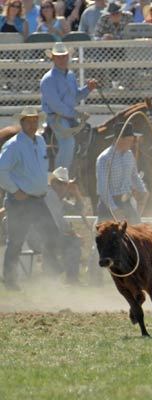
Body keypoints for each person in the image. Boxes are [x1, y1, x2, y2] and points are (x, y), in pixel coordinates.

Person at [0, 108, 62, 291]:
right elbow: (1, 170)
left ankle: (51, 273)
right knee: (16, 241)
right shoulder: (13, 145)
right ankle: (10, 280)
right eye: (29, 121)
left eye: (35, 121)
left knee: (51, 234)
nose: (33, 124)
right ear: (22, 123)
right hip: (20, 201)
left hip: (37, 199)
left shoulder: (41, 141)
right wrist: (15, 190)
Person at [40, 42, 97, 171]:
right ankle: (59, 177)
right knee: (68, 143)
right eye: (59, 57)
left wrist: (88, 89)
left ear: (68, 57)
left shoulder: (70, 75)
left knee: (88, 136)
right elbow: (57, 107)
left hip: (69, 116)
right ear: (53, 58)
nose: (62, 59)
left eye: (64, 56)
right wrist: (77, 114)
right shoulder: (48, 79)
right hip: (55, 118)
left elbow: (75, 97)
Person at [40, 167, 85, 285]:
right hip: (41, 237)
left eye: (65, 184)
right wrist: (72, 233)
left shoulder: (58, 198)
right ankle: (69, 278)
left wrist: (76, 194)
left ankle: (60, 274)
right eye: (60, 183)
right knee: (73, 242)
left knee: (72, 242)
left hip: (47, 237)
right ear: (53, 183)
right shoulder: (49, 195)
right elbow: (58, 221)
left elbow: (78, 210)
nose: (62, 186)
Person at [96, 122, 148, 223]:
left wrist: (143, 190)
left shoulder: (129, 155)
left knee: (137, 231)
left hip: (125, 202)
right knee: (107, 236)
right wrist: (114, 209)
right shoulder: (104, 158)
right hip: (108, 205)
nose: (131, 143)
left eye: (132, 140)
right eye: (129, 140)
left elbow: (134, 175)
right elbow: (103, 188)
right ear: (119, 139)